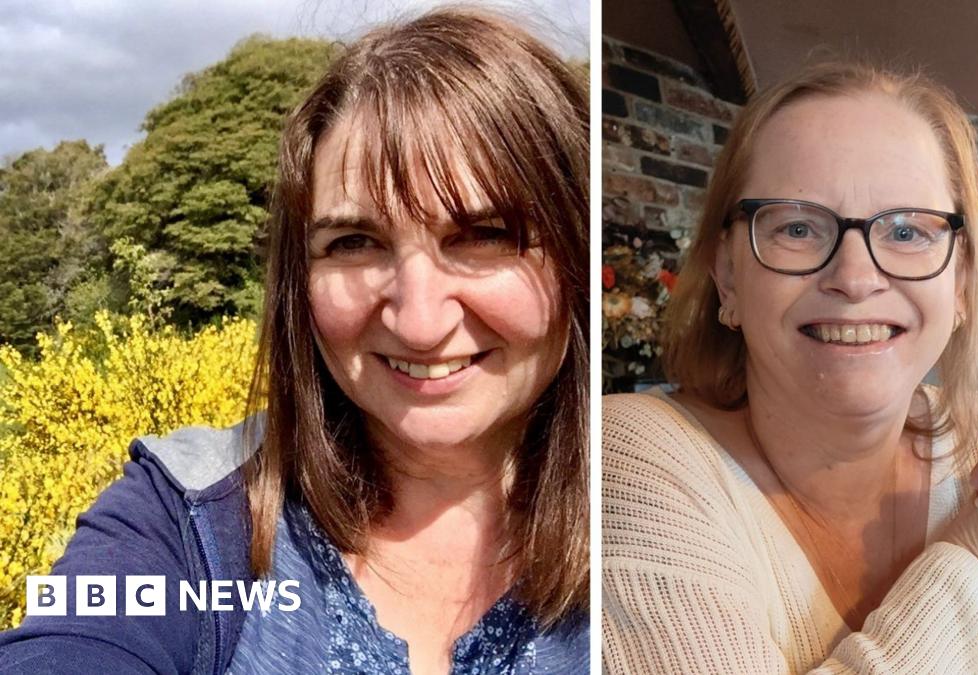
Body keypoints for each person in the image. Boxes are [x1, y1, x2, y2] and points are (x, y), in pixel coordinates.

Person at [0, 9, 588, 674]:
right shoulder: (188, 518)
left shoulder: (643, 525)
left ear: (575, 254)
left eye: (485, 236)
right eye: (355, 243)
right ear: (298, 281)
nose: (419, 321)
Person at [602, 62, 978, 673]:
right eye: (799, 227)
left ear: (962, 280)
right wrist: (975, 550)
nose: (856, 279)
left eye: (908, 231)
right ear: (727, 276)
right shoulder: (626, 454)